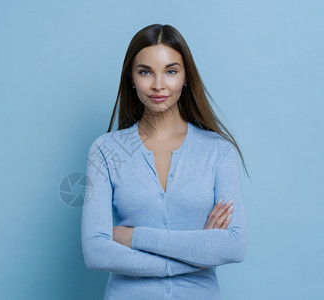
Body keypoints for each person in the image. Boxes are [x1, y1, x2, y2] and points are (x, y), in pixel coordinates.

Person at [81, 24, 249, 300]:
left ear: (185, 77)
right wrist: (198, 256)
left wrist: (133, 237)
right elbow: (97, 252)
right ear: (131, 78)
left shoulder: (218, 151)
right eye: (145, 71)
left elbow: (233, 246)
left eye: (171, 71)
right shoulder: (106, 150)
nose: (158, 85)